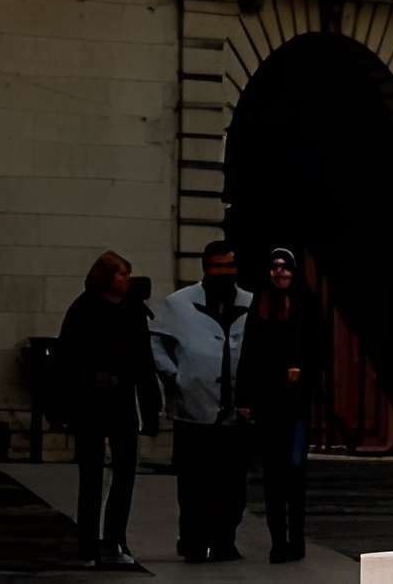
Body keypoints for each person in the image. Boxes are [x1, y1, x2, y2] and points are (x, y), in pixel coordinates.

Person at [150, 241, 253, 562]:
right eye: (218, 267)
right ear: (206, 268)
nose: (225, 273)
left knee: (233, 484)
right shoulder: (179, 304)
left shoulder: (252, 303)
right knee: (194, 481)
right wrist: (175, 374)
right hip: (193, 409)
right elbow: (155, 342)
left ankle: (224, 539)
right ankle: (193, 539)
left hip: (238, 411)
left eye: (230, 267)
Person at [58, 250, 159, 570]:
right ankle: (88, 544)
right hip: (91, 399)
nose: (126, 280)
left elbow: (144, 361)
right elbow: (67, 358)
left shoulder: (133, 310)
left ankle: (115, 538)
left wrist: (150, 405)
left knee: (125, 472)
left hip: (122, 398)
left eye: (128, 275)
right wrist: (69, 401)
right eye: (121, 275)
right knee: (91, 474)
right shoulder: (84, 308)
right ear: (106, 277)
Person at [235, 247, 326, 563]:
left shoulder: (307, 303)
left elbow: (318, 349)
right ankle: (278, 542)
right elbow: (249, 352)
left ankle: (296, 539)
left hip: (297, 403)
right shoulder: (260, 306)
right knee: (273, 475)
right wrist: (244, 398)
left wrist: (304, 373)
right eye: (274, 268)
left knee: (295, 472)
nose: (279, 273)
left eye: (285, 267)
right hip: (268, 401)